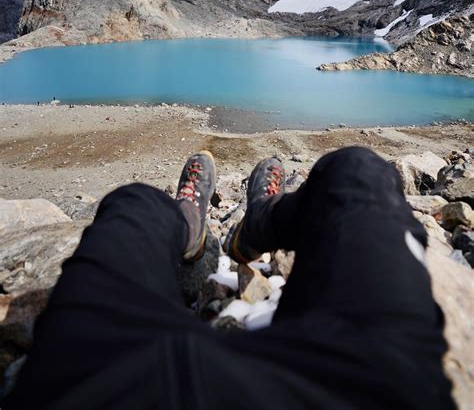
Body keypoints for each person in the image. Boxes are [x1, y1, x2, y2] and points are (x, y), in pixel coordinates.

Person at [5, 147, 454, 409]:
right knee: (359, 171)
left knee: (133, 204)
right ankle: (257, 224)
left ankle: (190, 228)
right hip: (364, 387)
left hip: (100, 386)